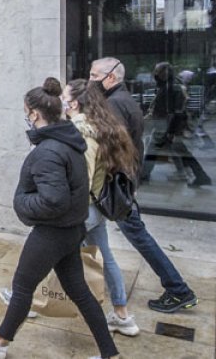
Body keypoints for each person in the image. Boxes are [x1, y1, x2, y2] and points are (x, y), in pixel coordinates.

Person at [0, 79, 119, 359]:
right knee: (80, 292)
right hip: (71, 229)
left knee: (22, 288)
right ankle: (110, 353)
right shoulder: (68, 141)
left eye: (26, 111)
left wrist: (21, 202)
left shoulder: (49, 151)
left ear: (34, 113)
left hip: (52, 233)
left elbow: (54, 199)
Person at [90, 57, 199, 314]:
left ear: (111, 77)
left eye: (95, 75)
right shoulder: (124, 100)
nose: (91, 80)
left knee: (138, 235)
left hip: (116, 187)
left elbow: (112, 147)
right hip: (123, 183)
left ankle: (178, 289)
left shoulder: (115, 104)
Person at [66, 78, 141, 336]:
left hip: (82, 209)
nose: (62, 102)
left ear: (74, 103)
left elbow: (82, 175)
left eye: (65, 97)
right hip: (96, 209)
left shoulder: (80, 130)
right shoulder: (103, 125)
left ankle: (25, 302)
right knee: (106, 258)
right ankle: (122, 315)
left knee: (41, 254)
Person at [142, 62, 211, 187]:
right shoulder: (170, 87)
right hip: (167, 126)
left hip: (165, 126)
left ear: (163, 74)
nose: (155, 75)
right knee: (178, 151)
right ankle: (198, 175)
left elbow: (175, 112)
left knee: (154, 150)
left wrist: (171, 131)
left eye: (157, 72)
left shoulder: (170, 88)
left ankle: (143, 175)